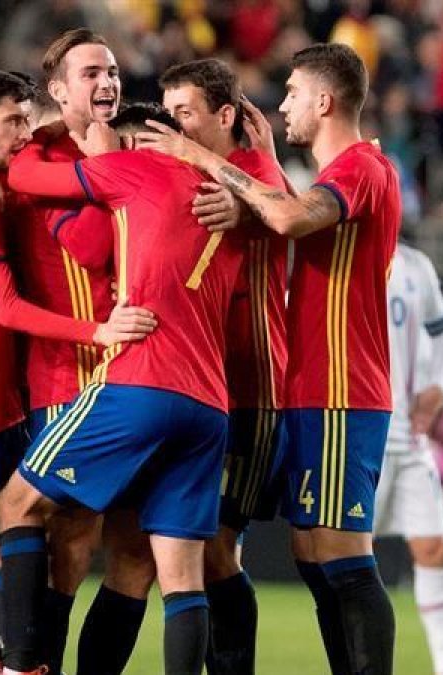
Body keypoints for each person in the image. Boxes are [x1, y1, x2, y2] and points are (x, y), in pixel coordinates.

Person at [140, 42, 402, 675]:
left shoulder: (361, 167)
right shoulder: (343, 176)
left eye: (290, 93)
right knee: (314, 557)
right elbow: (294, 211)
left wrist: (203, 157)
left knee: (342, 559)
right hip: (311, 386)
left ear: (324, 100)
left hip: (343, 386)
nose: (281, 105)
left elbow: (287, 221)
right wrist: (269, 173)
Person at [0, 66, 156, 675]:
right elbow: (9, 309)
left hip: (2, 404)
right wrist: (96, 330)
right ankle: (9, 664)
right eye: (14, 120)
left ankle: (10, 662)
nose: (24, 131)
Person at [0, 102, 246, 675]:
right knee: (179, 576)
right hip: (209, 403)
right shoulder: (224, 205)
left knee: (16, 503)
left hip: (139, 383)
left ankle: (21, 667)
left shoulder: (134, 169)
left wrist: (55, 135)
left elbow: (25, 175)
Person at [158, 58, 289, 675]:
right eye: (170, 111)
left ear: (227, 115)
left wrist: (250, 199)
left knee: (215, 548)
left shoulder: (255, 174)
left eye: (185, 112)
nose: (173, 124)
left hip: (251, 386)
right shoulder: (193, 171)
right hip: (200, 387)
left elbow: (286, 211)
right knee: (192, 547)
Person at [378, 241, 443, 675]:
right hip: (358, 434)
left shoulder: (415, 265)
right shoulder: (335, 250)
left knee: (434, 548)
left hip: (409, 437)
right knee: (340, 559)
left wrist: (440, 385)